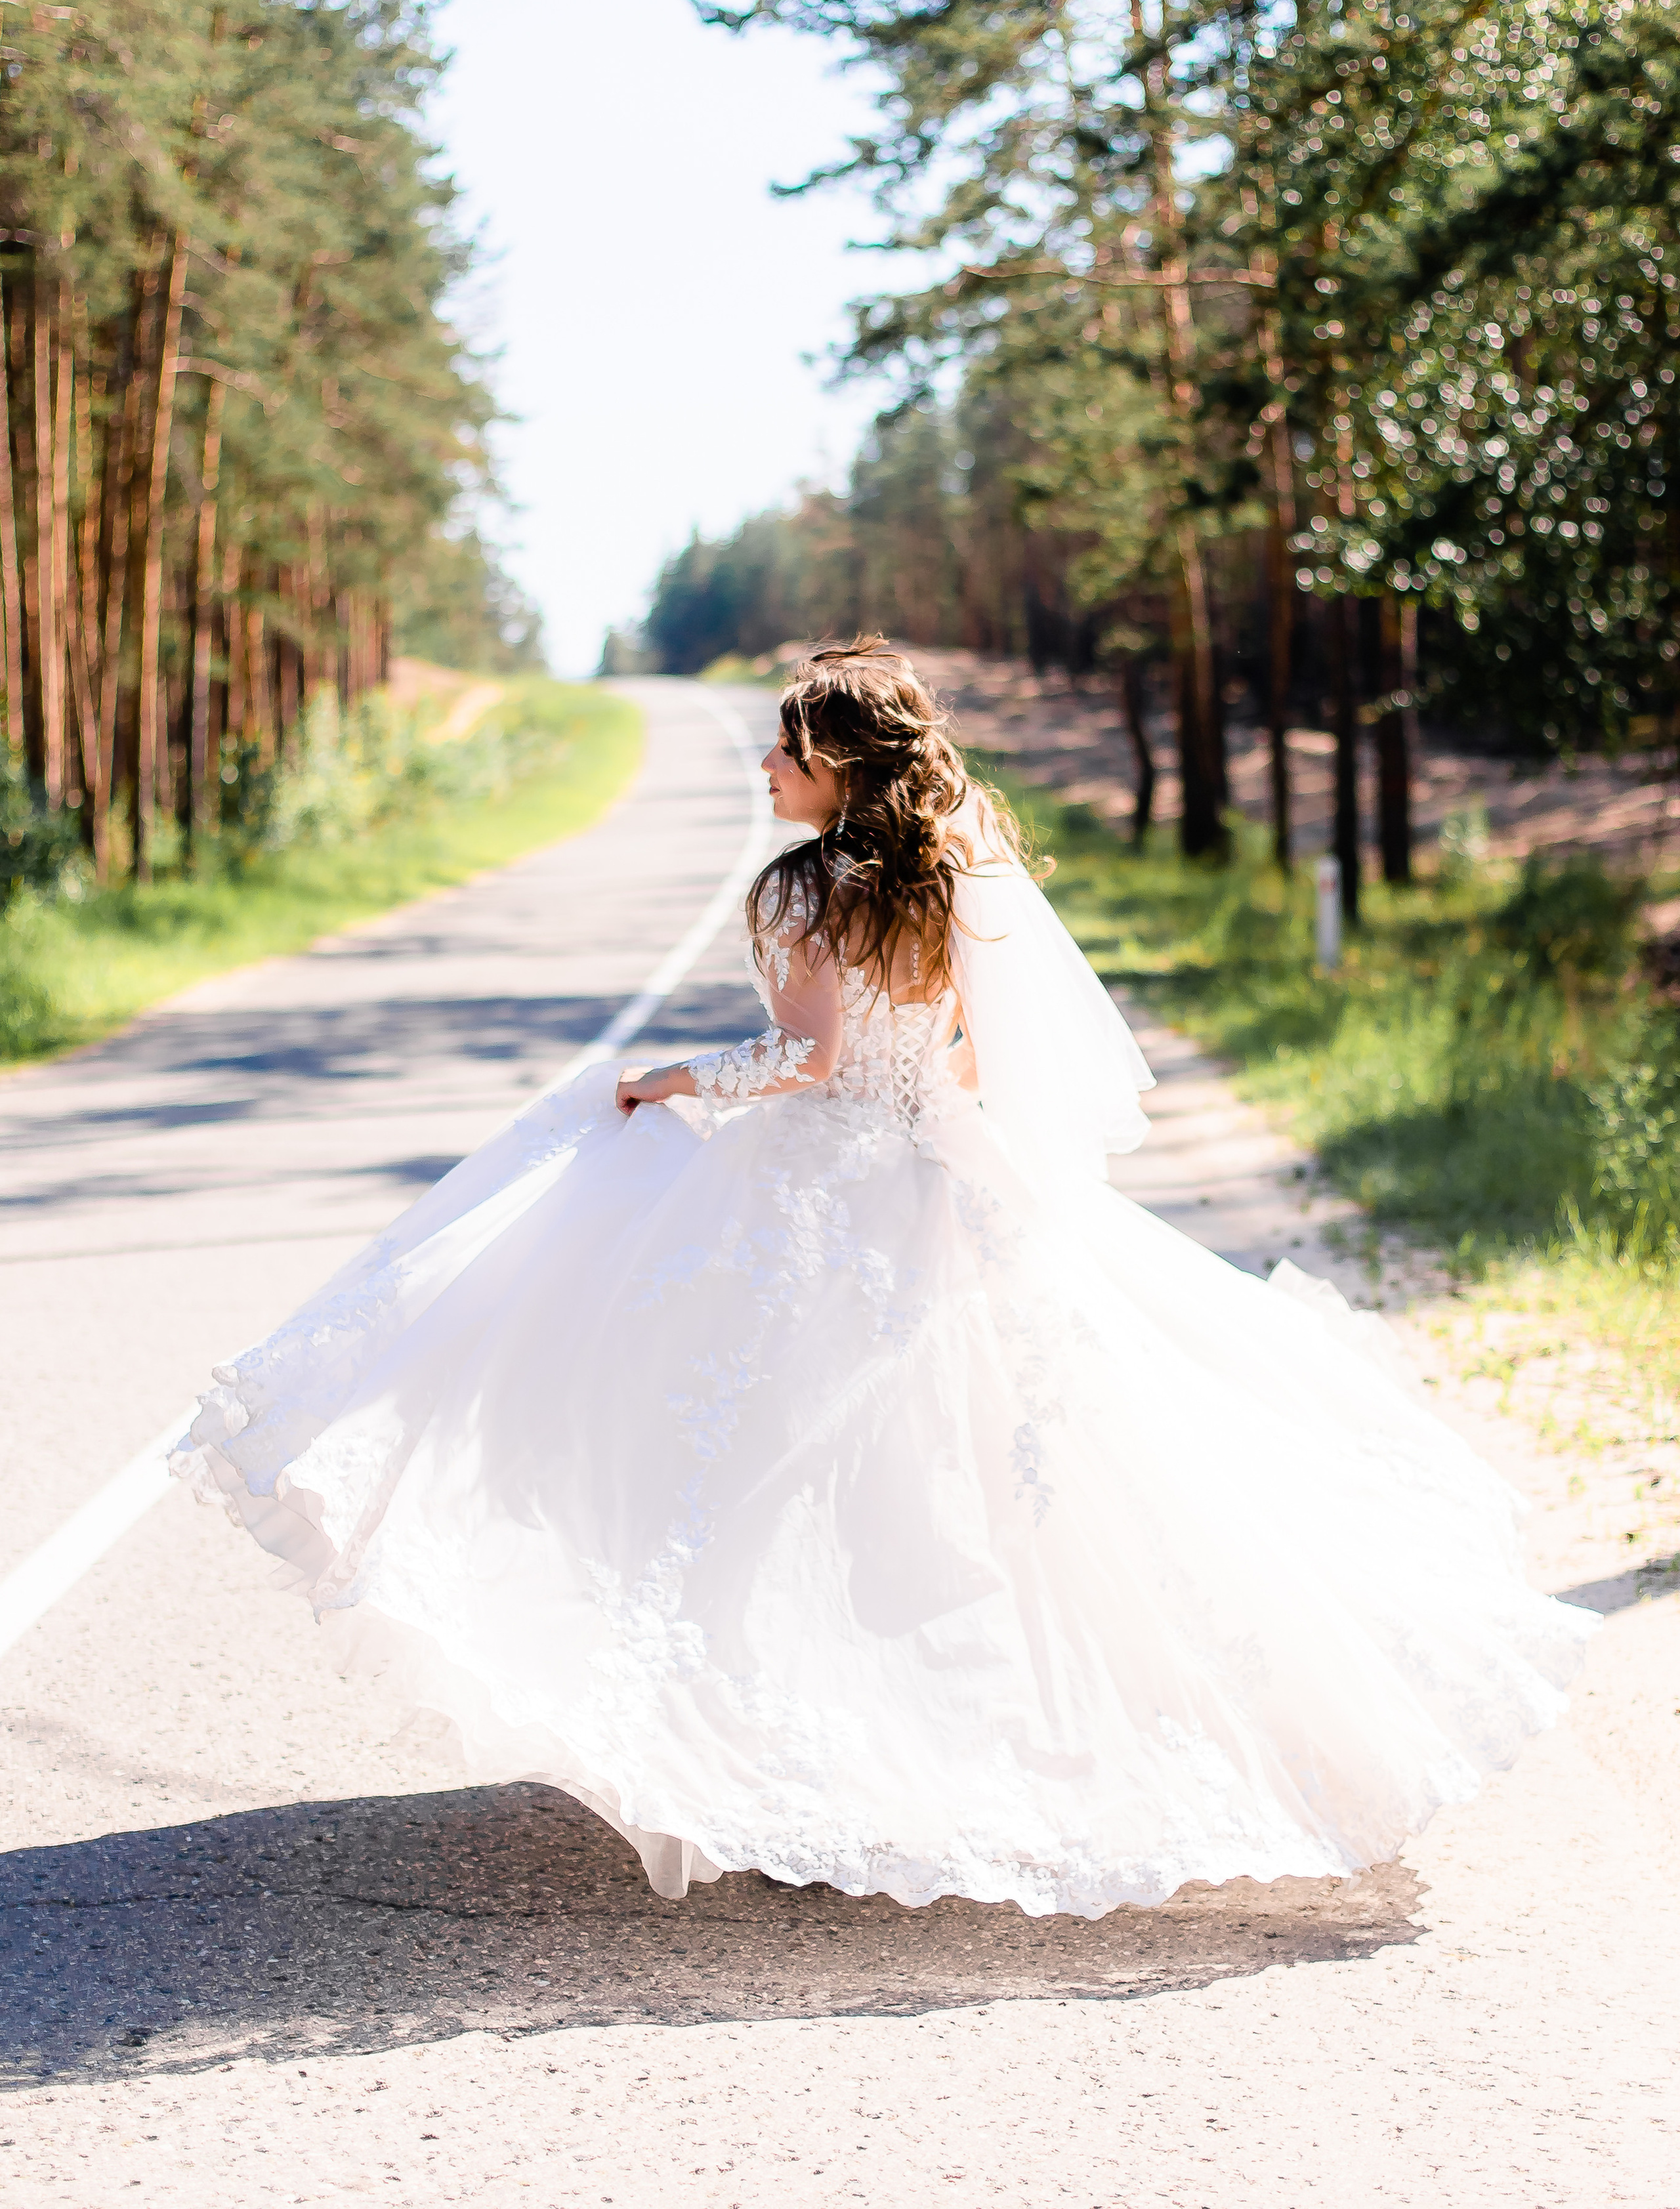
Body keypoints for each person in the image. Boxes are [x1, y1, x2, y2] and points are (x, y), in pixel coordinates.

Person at [175, 639, 1593, 1917]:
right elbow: (969, 1052)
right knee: (992, 1472)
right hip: (944, 1166)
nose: (766, 766)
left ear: (836, 766)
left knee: (761, 1479)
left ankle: (771, 1758)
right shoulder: (948, 876)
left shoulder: (801, 888)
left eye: (784, 748)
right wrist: (929, 1107)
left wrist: (660, 1080)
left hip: (822, 1188)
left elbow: (808, 1059)